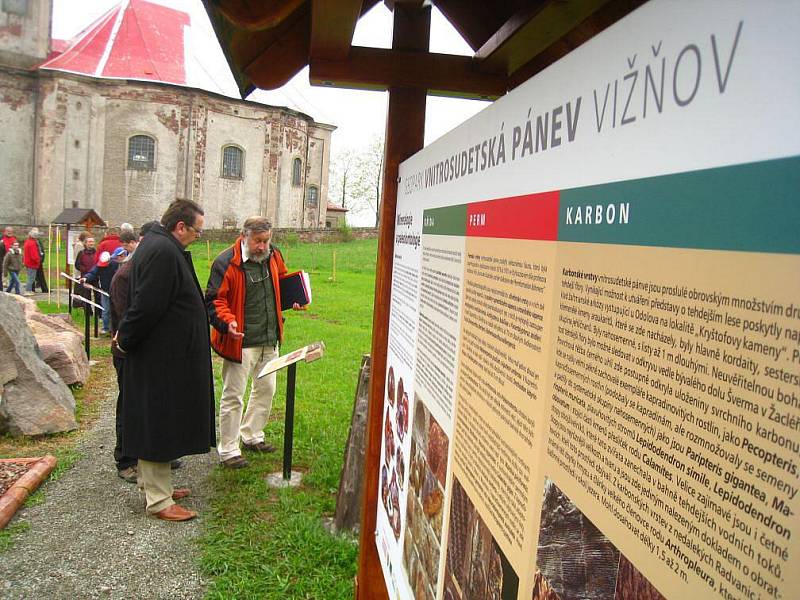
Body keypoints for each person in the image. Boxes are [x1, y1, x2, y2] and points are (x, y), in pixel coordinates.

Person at [116, 198, 215, 521]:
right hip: (160, 357)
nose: (198, 237)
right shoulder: (162, 251)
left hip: (165, 354)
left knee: (158, 418)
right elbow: (146, 306)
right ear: (180, 226)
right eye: (197, 231)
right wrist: (124, 341)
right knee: (158, 422)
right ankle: (159, 501)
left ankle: (154, 486)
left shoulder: (161, 245)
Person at [205, 216, 300, 469]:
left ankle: (252, 434)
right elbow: (215, 301)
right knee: (233, 395)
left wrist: (292, 298)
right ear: (244, 236)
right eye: (258, 241)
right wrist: (228, 323)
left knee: (267, 388)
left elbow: (281, 282)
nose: (262, 246)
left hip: (270, 338)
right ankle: (228, 449)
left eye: (266, 241)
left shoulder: (274, 255)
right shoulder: (226, 262)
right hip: (241, 341)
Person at [74, 236, 97, 310]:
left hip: (95, 276)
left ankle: (98, 312)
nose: (91, 243)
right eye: (89, 242)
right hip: (85, 277)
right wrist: (85, 269)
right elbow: (77, 264)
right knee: (87, 295)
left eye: (92, 242)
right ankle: (88, 311)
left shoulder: (96, 252)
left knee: (98, 295)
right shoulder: (81, 253)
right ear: (86, 243)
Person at [22, 228, 41, 295]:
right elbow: (34, 255)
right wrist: (38, 260)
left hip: (27, 262)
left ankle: (29, 290)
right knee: (31, 278)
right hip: (32, 263)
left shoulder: (27, 242)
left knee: (30, 277)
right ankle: (27, 291)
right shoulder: (32, 243)